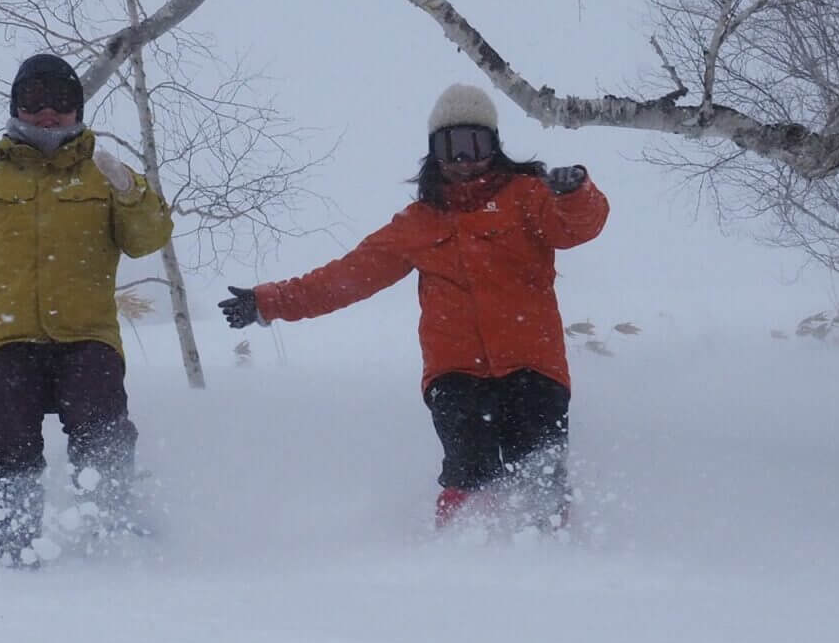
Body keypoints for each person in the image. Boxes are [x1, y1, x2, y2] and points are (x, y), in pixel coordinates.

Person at [219, 83, 608, 531]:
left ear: (495, 146)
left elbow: (578, 228)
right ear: (434, 152)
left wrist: (575, 192)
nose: (464, 159)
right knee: (471, 470)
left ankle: (553, 548)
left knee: (538, 469)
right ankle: (463, 550)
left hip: (533, 368)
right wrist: (269, 302)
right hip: (456, 374)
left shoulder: (528, 197)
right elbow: (345, 278)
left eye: (474, 143)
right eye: (451, 146)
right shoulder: (418, 224)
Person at [0, 52, 174, 562]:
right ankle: (8, 550)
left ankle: (116, 536)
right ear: (16, 106)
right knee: (10, 450)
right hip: (6, 344)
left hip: (87, 339)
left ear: (78, 109)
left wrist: (130, 192)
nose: (48, 113)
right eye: (34, 100)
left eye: (61, 101)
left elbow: (149, 238)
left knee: (104, 434)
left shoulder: (104, 175)